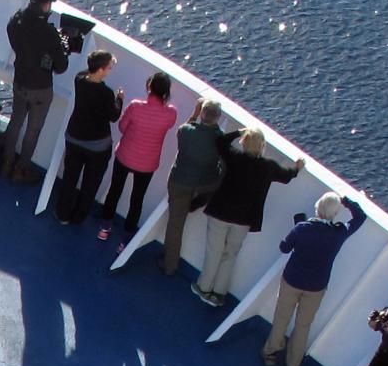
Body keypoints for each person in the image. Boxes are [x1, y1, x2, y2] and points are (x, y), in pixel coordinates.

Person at [261, 193, 369, 366]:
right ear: (335, 213)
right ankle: (292, 364)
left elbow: (284, 247)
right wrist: (347, 202)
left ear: (318, 208)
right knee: (303, 325)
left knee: (281, 318)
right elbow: (360, 217)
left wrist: (296, 229)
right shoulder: (339, 233)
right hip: (316, 286)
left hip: (292, 280)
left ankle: (270, 353)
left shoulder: (303, 228)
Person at [194, 127, 302, 306]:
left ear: (244, 143)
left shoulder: (234, 157)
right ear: (261, 146)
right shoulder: (268, 167)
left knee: (214, 251)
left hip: (220, 212)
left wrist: (238, 131)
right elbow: (286, 176)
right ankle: (218, 293)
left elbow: (220, 142)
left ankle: (203, 287)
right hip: (243, 219)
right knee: (230, 254)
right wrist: (297, 168)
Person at [98, 71, 179, 239]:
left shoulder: (135, 106)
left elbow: (122, 128)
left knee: (114, 191)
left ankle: (105, 228)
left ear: (149, 87)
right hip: (147, 164)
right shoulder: (170, 113)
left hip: (125, 156)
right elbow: (169, 122)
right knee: (137, 199)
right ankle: (126, 238)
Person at [157, 99, 232, 278]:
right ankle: (196, 203)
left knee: (176, 223)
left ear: (202, 114)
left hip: (179, 181)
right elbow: (225, 166)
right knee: (215, 186)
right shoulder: (220, 139)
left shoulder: (186, 131)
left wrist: (194, 113)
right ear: (218, 117)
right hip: (204, 184)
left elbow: (183, 129)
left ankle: (169, 264)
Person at [1, 0, 70, 181]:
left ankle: (6, 162)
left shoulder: (16, 21)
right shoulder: (48, 32)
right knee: (33, 129)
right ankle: (21, 169)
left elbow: (16, 39)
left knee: (16, 121)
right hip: (40, 88)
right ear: (45, 5)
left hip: (20, 81)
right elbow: (61, 66)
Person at [53, 52, 123, 226]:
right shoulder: (106, 93)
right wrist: (119, 100)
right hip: (97, 146)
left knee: (70, 177)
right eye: (108, 68)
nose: (109, 71)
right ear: (100, 69)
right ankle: (78, 217)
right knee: (90, 184)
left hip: (74, 137)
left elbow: (85, 72)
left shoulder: (79, 80)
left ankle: (63, 214)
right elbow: (113, 116)